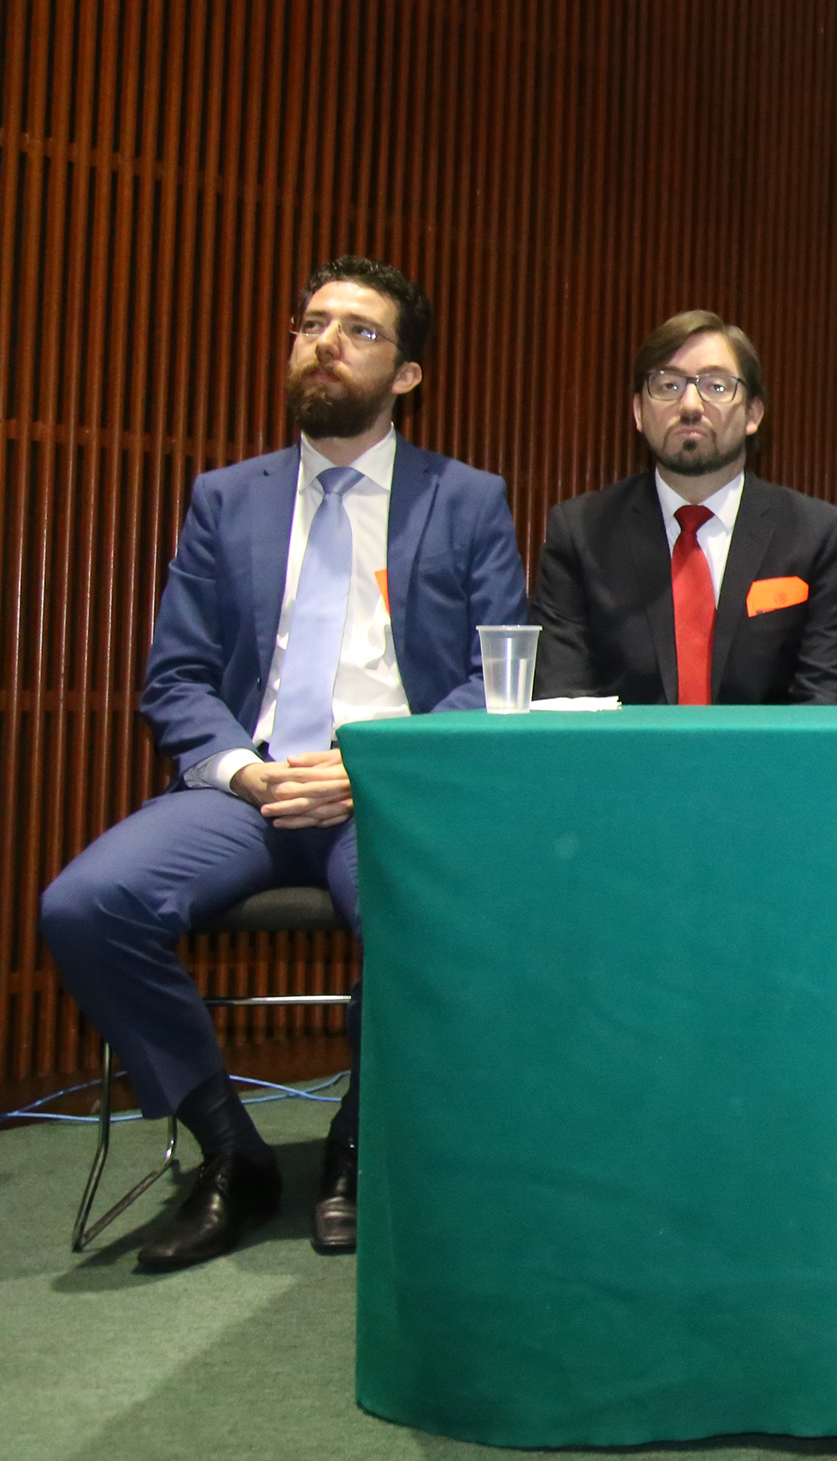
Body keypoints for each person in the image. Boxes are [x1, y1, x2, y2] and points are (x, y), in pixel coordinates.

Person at [38, 257, 528, 1267]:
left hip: (385, 790)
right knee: (86, 905)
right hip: (250, 786)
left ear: (407, 375)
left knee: (427, 919)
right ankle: (231, 1151)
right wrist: (241, 770)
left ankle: (356, 1141)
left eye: (359, 330)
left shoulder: (468, 499)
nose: (325, 343)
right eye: (311, 323)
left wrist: (375, 767)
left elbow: (497, 677)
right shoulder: (226, 498)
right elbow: (177, 676)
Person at [533, 311, 837, 705]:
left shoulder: (816, 536)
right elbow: (563, 698)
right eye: (668, 385)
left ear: (753, 413)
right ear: (639, 412)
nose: (690, 405)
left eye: (716, 387)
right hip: (623, 749)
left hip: (767, 749)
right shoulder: (581, 533)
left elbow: (825, 704)